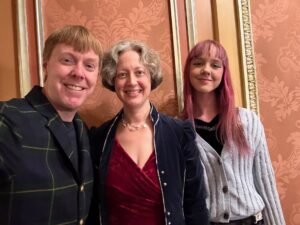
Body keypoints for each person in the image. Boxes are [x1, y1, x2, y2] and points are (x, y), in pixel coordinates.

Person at [89, 40, 209, 225]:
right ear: (113, 80)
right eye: (122, 74)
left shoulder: (179, 133)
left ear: (151, 77)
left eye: (139, 72)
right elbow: (93, 208)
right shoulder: (99, 139)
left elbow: (196, 204)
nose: (131, 81)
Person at [0, 25, 102, 225]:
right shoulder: (7, 119)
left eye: (89, 66)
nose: (79, 73)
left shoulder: (84, 130)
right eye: (67, 60)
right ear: (46, 65)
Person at [182, 39, 286, 225]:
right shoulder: (177, 130)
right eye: (198, 63)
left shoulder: (248, 121)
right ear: (189, 70)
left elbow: (265, 181)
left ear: (223, 73)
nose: (206, 70)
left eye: (215, 65)